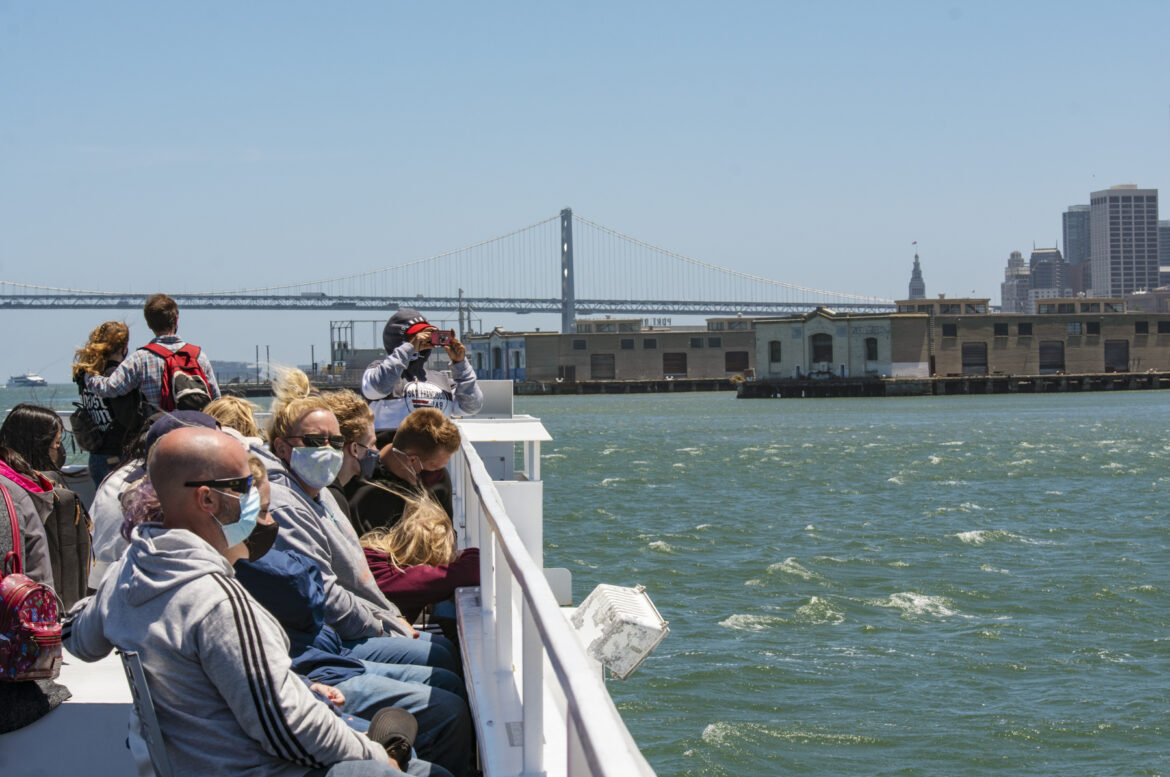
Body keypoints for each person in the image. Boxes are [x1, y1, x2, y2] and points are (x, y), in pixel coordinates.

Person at [62, 425, 407, 776]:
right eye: (244, 487)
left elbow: (80, 641)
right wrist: (378, 756)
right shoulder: (218, 601)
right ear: (207, 500)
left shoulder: (127, 572)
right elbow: (290, 729)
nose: (255, 499)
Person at [262, 369, 460, 676]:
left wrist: (389, 619)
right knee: (443, 671)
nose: (327, 450)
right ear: (282, 448)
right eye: (315, 441)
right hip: (329, 638)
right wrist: (384, 626)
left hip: (359, 622)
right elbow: (325, 594)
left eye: (334, 441)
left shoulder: (323, 498)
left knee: (444, 654)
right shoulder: (291, 503)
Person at [0, 403, 91, 608]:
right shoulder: (45, 492)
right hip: (42, 607)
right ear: (39, 445)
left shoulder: (7, 482)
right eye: (57, 444)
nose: (60, 451)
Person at [83, 292, 220, 412]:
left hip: (159, 433)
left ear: (149, 324)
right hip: (198, 429)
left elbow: (110, 388)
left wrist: (88, 376)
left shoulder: (140, 359)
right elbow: (216, 400)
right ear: (176, 320)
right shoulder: (198, 356)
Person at [361, 308, 482, 440]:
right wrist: (409, 349)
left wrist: (460, 364)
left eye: (428, 336)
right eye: (416, 336)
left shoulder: (441, 379)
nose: (423, 340)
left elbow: (471, 406)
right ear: (397, 339)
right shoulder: (380, 371)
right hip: (390, 457)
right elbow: (377, 388)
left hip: (433, 458)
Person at [361, 492, 479, 625]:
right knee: (442, 645)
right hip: (359, 634)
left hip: (356, 624)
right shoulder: (408, 578)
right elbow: (476, 569)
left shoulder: (377, 556)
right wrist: (460, 555)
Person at [348, 409, 461, 537]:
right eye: (433, 466)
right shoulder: (357, 469)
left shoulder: (439, 482)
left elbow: (448, 535)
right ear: (412, 460)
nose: (439, 471)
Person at [71, 320, 148, 486]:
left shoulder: (86, 375)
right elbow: (129, 419)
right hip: (117, 456)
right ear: (123, 347)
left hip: (96, 455)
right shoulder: (116, 376)